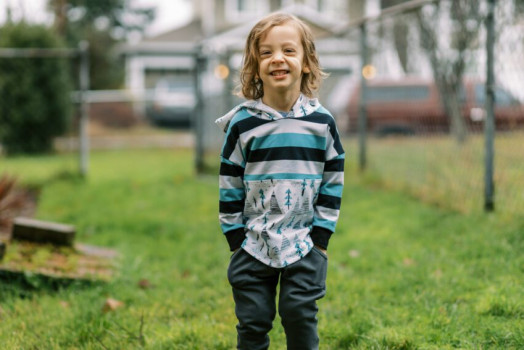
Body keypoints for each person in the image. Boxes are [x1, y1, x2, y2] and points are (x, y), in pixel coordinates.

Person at [216, 12, 345, 350]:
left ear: (306, 62)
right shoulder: (243, 125)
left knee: (299, 314)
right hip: (253, 243)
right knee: (253, 322)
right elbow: (229, 179)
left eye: (289, 50)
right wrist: (234, 236)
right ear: (255, 65)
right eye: (266, 52)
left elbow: (334, 177)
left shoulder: (322, 123)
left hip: (304, 243)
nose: (277, 58)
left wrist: (320, 237)